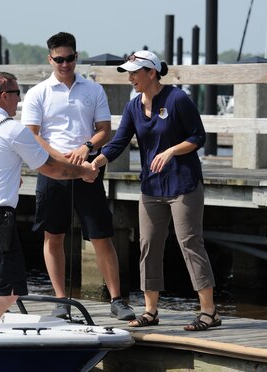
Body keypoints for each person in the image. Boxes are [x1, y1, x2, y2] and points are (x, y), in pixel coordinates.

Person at [0, 71, 99, 324]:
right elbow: (51, 169)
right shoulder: (12, 129)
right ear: (5, 95)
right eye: (17, 95)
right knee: (9, 292)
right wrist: (84, 172)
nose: (20, 101)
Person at [92, 50, 221, 331]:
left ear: (151, 73)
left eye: (135, 73)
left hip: (184, 184)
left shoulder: (177, 99)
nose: (130, 78)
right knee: (148, 245)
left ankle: (209, 312)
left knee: (190, 243)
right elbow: (119, 142)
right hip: (151, 186)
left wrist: (172, 151)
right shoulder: (133, 107)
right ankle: (151, 311)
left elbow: (198, 137)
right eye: (128, 73)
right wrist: (97, 161)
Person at [21, 32, 135, 321]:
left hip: (89, 167)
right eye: (59, 59)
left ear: (76, 56)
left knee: (101, 235)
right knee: (53, 235)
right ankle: (61, 299)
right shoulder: (37, 93)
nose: (65, 64)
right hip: (53, 170)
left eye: (69, 58)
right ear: (50, 59)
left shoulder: (93, 89)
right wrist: (63, 161)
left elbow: (104, 130)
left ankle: (117, 299)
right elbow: (33, 136)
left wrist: (85, 150)